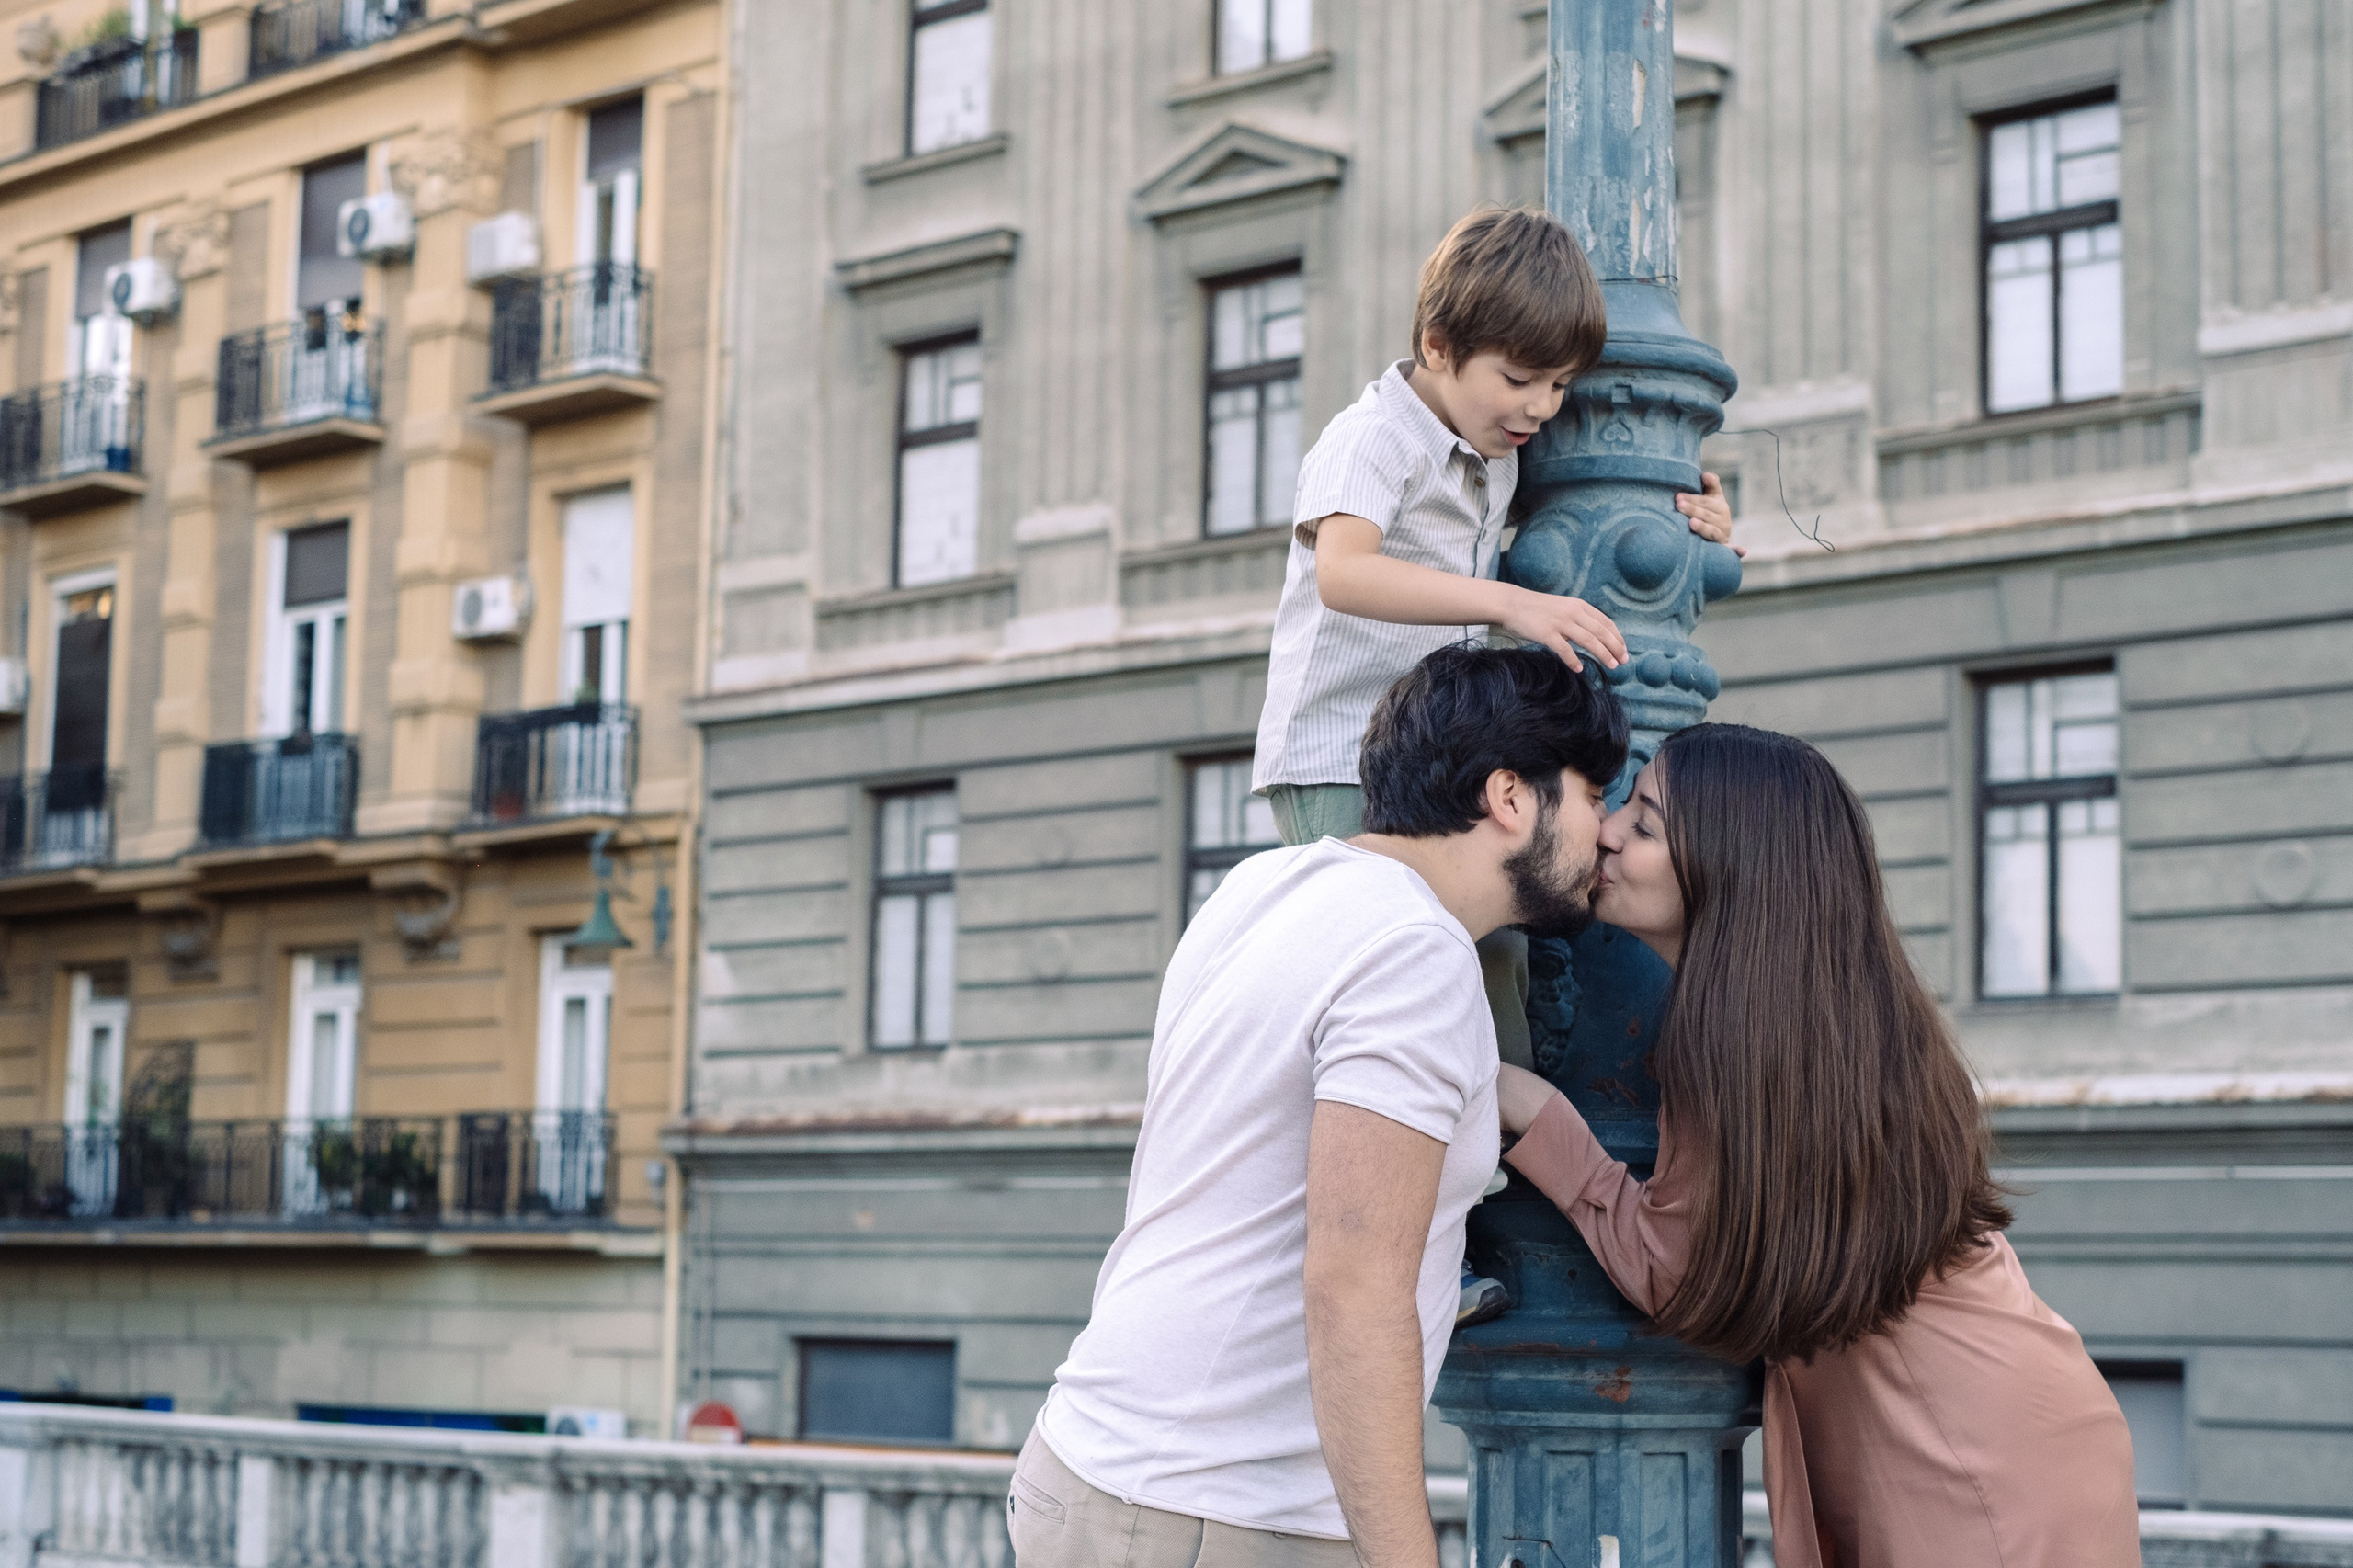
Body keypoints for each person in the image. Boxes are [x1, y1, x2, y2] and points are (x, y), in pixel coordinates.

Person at [1016, 646, 1630, 1568]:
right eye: (1592, 795)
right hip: (1221, 1515)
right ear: (1511, 796)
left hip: (1093, 1461)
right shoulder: (1413, 953)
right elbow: (1354, 1289)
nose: (1607, 832)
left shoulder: (1264, 889)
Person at [1494, 722, 2142, 1568]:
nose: (1609, 831)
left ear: (1731, 869)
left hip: (1967, 1456)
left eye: (1644, 824)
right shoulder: (1840, 1019)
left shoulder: (1742, 1044)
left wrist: (1536, 1114)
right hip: (2012, 1417)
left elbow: (1678, 1272)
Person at [1250, 205, 1733, 1324]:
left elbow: (1611, 494)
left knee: (1486, 991)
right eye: (1521, 378)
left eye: (1559, 388)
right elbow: (1348, 576)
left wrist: (1699, 508)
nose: (1541, 410)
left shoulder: (1494, 444)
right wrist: (1507, 599)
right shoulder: (1370, 436)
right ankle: (1372, 1246)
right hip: (1342, 764)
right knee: (1377, 1001)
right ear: (1436, 346)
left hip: (1438, 765)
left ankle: (1449, 1233)